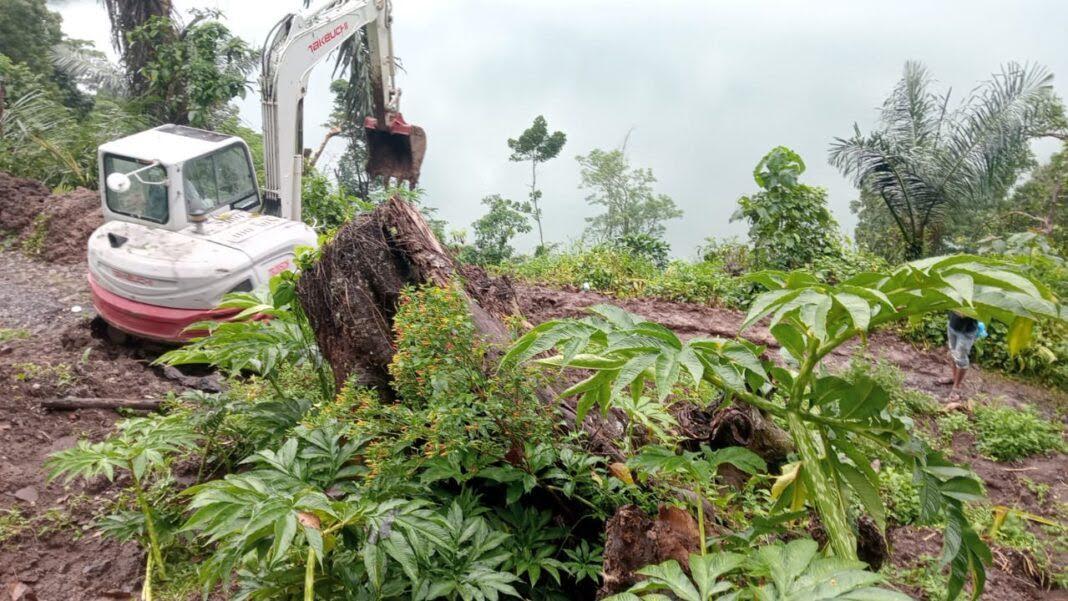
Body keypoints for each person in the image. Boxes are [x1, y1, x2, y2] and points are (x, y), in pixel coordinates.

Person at [943, 311, 979, 397]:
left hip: (966, 332)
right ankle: (954, 378)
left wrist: (956, 309)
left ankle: (956, 387)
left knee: (961, 359)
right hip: (952, 326)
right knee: (953, 353)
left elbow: (963, 314)